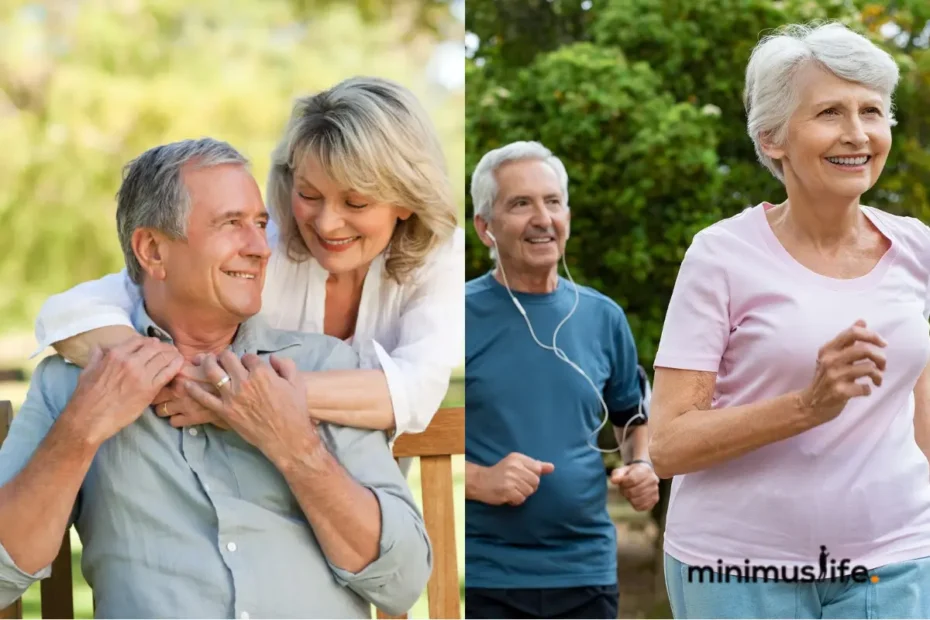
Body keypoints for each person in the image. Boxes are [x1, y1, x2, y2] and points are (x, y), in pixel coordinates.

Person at [0, 138, 431, 618]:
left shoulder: (323, 365)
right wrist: (80, 431)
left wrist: (294, 445)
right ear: (152, 250)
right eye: (231, 224)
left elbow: (403, 580)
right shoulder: (76, 381)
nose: (259, 249)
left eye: (260, 224)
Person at [651, 22, 930, 619]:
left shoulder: (918, 251)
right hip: (737, 569)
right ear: (772, 137)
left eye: (872, 111)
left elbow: (923, 416)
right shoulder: (720, 256)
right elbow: (667, 445)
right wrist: (809, 405)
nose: (857, 134)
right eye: (830, 111)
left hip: (895, 562)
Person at [30, 76, 463, 441]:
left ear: (405, 201)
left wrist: (245, 395)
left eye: (356, 204)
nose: (328, 224)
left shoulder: (440, 256)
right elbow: (71, 313)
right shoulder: (258, 245)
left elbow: (417, 390)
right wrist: (184, 378)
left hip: (356, 502)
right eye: (309, 195)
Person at [464, 141, 660, 619]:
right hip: (488, 575)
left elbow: (631, 418)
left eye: (553, 202)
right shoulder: (456, 316)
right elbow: (407, 434)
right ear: (485, 228)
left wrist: (642, 464)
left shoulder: (603, 316)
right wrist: (479, 479)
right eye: (520, 204)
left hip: (587, 572)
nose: (542, 217)